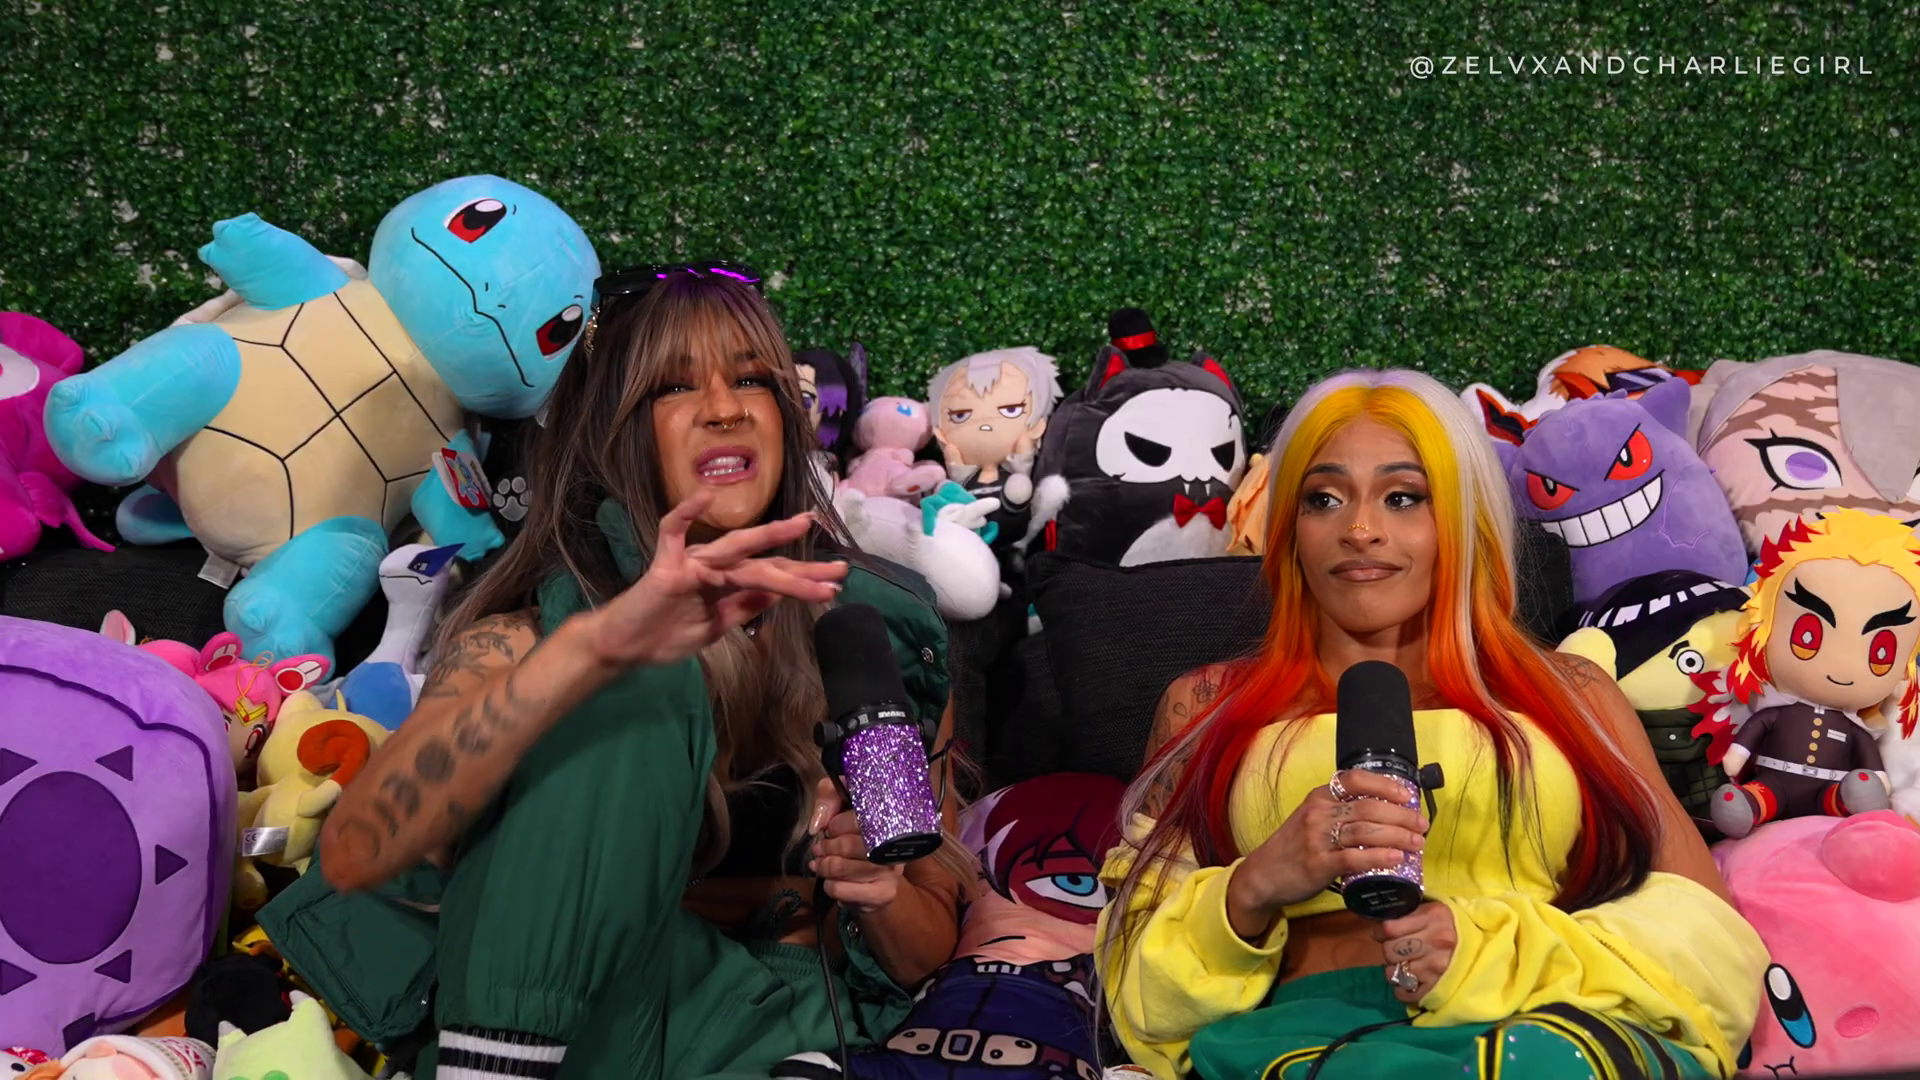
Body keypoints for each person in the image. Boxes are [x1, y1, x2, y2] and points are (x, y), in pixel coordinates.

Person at [265, 267, 970, 1080]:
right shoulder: (528, 637)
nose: (725, 408)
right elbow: (359, 851)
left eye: (753, 379)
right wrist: (596, 650)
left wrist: (881, 891)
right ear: (617, 431)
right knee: (635, 684)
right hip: (585, 1022)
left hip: (788, 1025)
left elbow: (925, 951)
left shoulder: (879, 638)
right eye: (674, 386)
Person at [1095, 370, 1768, 1079]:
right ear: (1290, 529)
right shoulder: (1207, 705)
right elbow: (1132, 986)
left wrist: (1495, 951)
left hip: (1547, 1032)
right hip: (1291, 1047)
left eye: (1402, 497)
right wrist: (1253, 888)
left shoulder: (1574, 694)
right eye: (1324, 499)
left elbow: (1710, 941)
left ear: (1462, 520)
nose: (1360, 529)